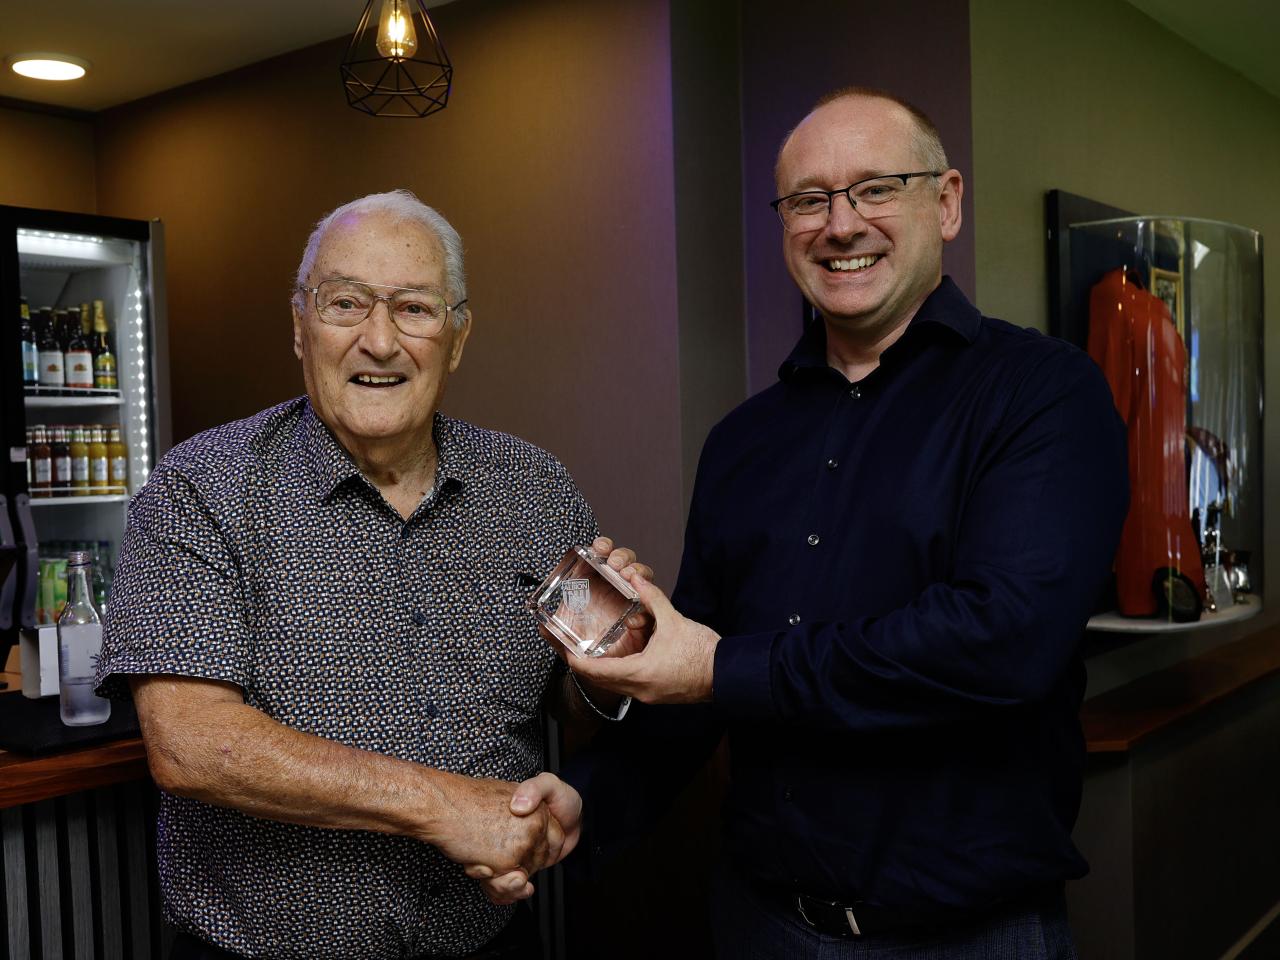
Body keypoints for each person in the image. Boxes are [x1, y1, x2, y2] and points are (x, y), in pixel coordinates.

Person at [566, 88, 1129, 958]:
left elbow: (1002, 641)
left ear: (944, 204)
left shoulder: (1042, 394)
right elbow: (697, 686)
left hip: (967, 939)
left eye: (875, 189)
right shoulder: (741, 443)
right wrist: (593, 764)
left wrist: (720, 666)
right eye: (809, 199)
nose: (840, 224)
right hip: (757, 924)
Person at [94, 189, 644, 960]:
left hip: (486, 941)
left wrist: (618, 656)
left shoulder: (538, 489)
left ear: (456, 337)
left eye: (414, 309)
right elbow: (190, 744)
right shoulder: (201, 488)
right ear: (299, 326)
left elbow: (582, 700)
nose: (378, 341)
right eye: (346, 303)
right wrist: (443, 807)